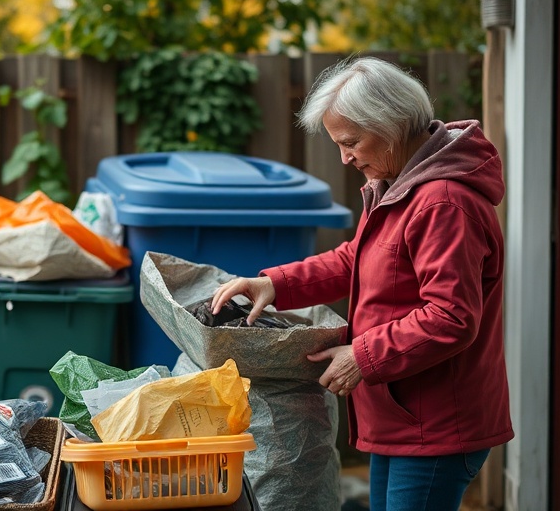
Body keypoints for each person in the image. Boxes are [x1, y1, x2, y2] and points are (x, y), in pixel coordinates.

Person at [211, 56, 514, 511]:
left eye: (351, 142)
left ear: (391, 124)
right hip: (402, 416)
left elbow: (450, 317)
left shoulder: (443, 203)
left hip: (435, 423)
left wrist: (362, 356)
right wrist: (274, 284)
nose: (345, 158)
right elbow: (357, 259)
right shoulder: (400, 185)